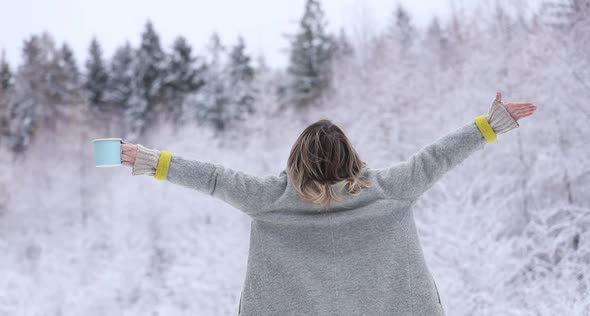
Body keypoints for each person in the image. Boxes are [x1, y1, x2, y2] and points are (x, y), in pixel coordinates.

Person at [121, 92, 537, 316]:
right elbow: (438, 155)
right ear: (351, 157)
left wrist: (147, 160)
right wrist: (489, 124)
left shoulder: (269, 200)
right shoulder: (389, 190)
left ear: (296, 160)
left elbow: (211, 177)